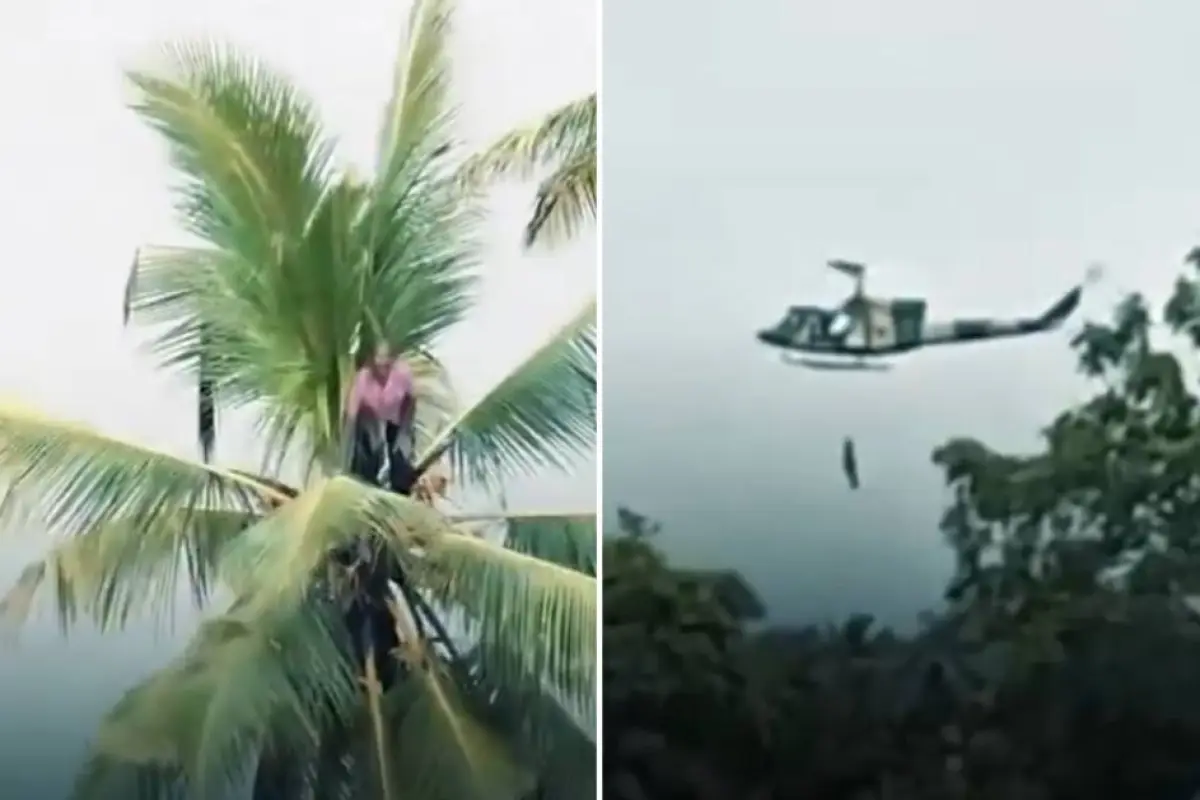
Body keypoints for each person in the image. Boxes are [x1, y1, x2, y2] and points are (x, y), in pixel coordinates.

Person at [345, 341, 418, 495]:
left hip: (396, 417)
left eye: (386, 360)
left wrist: (405, 430)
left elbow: (411, 399)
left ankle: (400, 490)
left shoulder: (402, 373)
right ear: (373, 359)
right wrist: (350, 441)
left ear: (392, 360)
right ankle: (364, 486)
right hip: (370, 417)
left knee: (401, 455)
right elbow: (352, 412)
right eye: (379, 359)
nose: (382, 364)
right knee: (368, 454)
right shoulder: (364, 378)